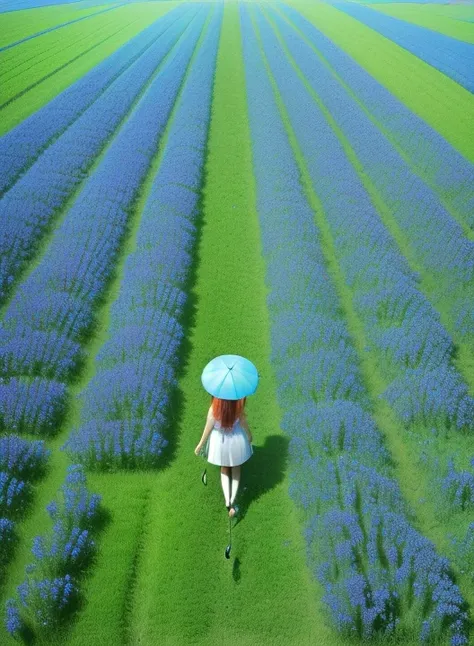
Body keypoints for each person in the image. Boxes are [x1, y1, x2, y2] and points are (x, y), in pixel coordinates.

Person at [195, 396, 253, 518]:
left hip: (220, 442)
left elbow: (208, 428)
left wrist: (200, 445)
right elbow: (243, 422)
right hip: (236, 440)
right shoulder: (238, 406)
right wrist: (249, 435)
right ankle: (232, 498)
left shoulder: (214, 409)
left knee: (224, 468)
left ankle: (228, 501)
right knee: (236, 467)